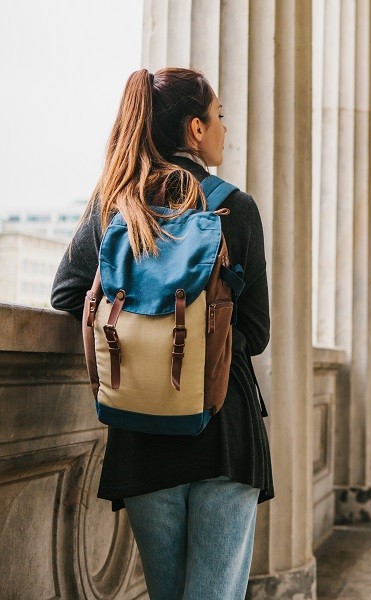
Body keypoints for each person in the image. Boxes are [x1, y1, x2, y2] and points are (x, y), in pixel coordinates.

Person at [50, 68, 272, 600]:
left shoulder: (116, 203)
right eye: (218, 117)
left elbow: (66, 295)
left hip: (142, 429)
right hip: (223, 427)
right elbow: (257, 332)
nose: (224, 129)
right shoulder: (233, 207)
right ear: (195, 129)